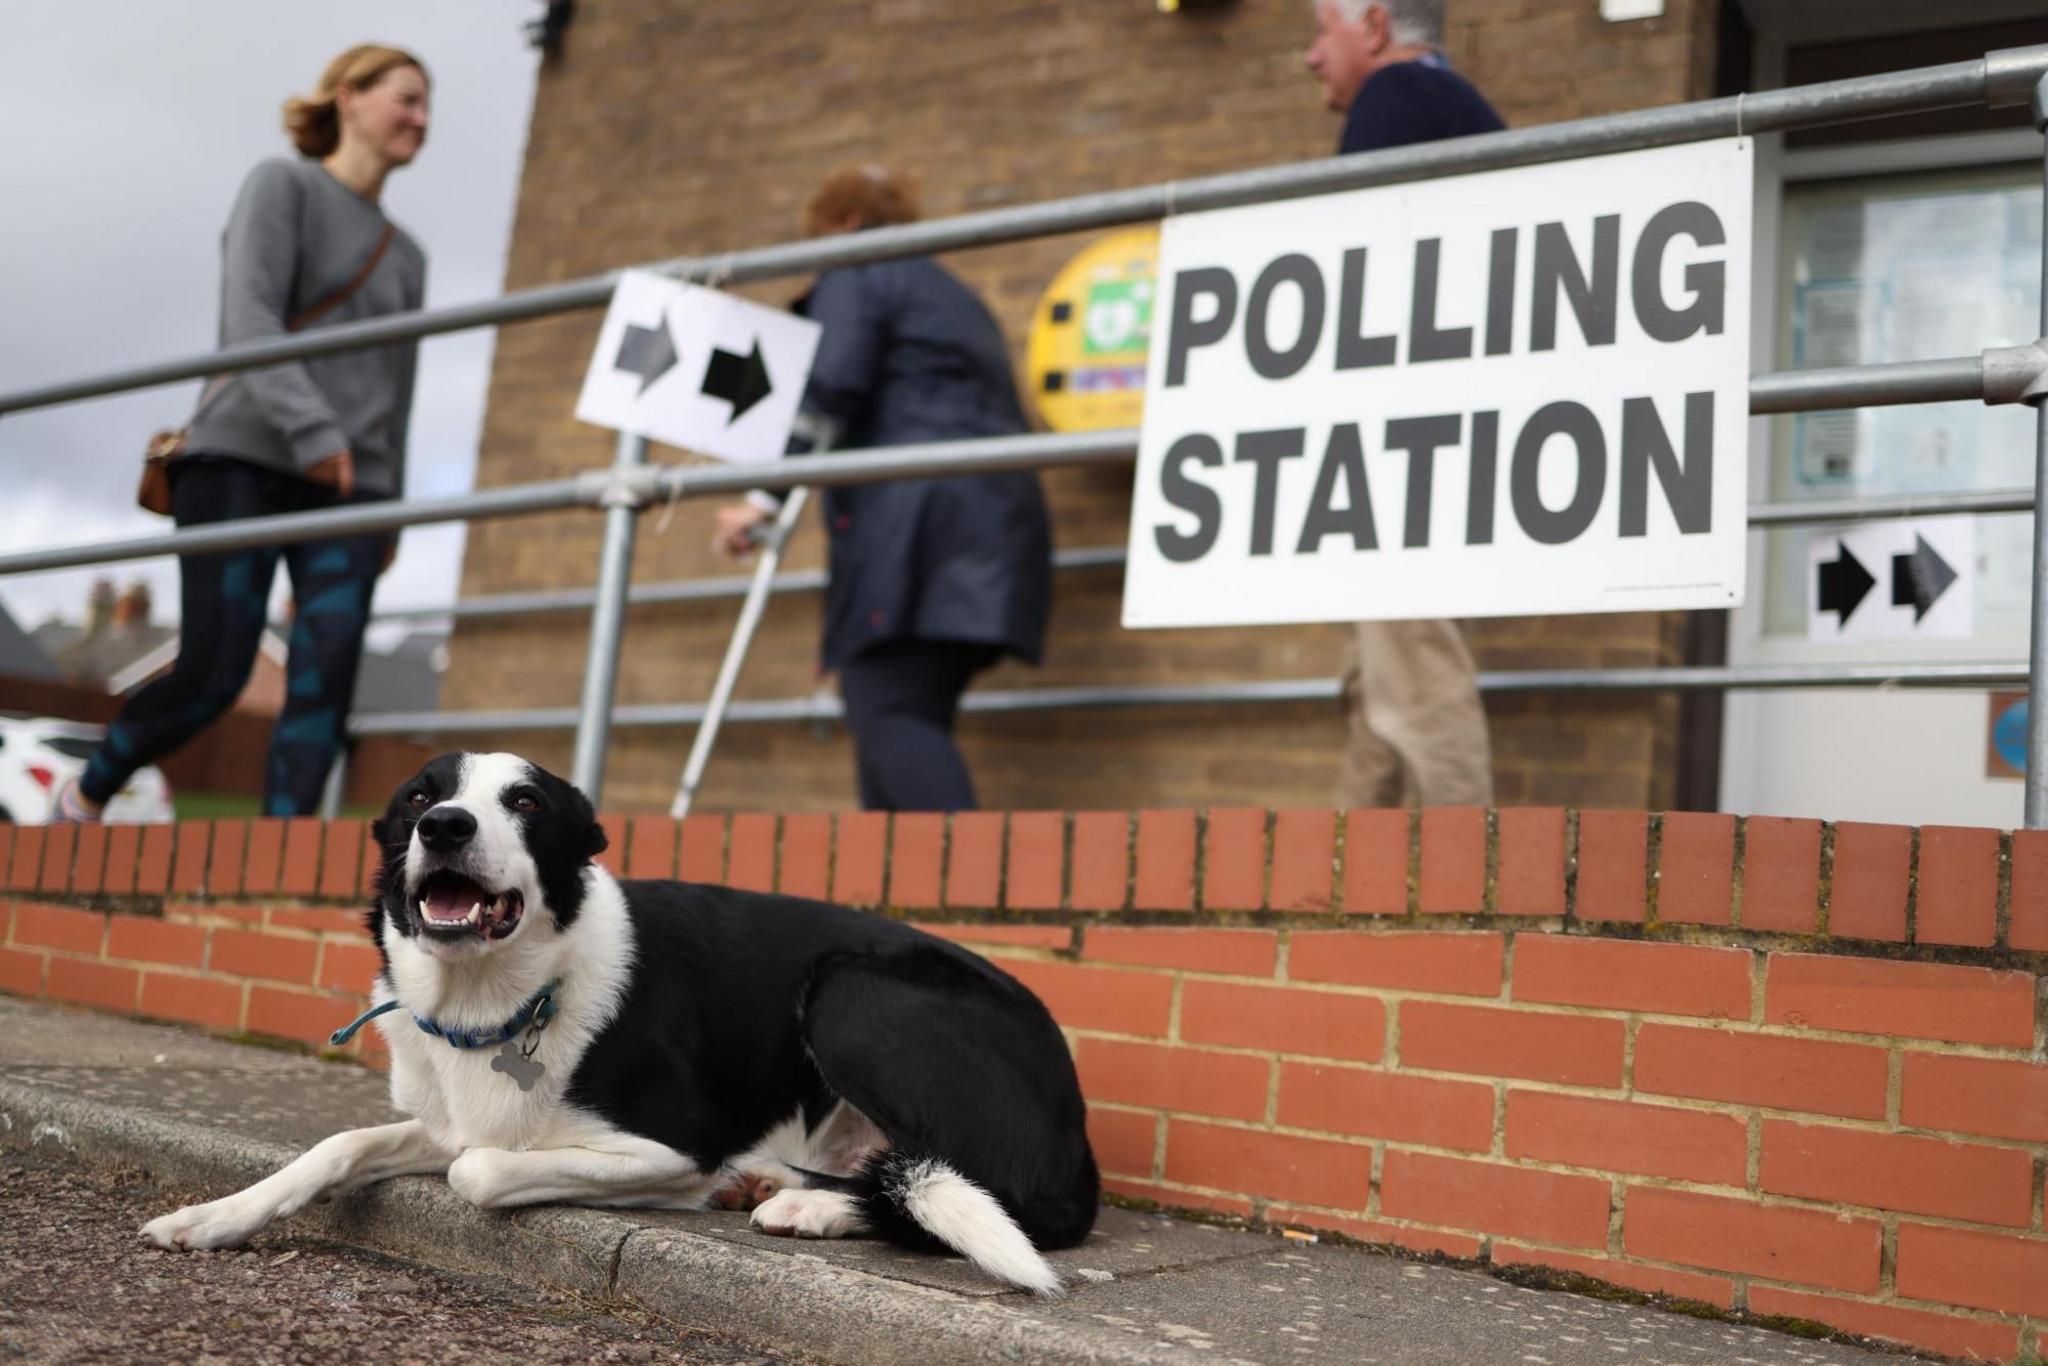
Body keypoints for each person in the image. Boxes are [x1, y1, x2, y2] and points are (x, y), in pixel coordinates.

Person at [58, 44, 430, 821]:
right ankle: (89, 790)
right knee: (215, 672)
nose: (420, 121)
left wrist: (387, 502)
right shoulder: (281, 184)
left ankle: (279, 866)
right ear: (348, 98)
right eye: (406, 99)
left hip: (347, 489)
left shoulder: (411, 257)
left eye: (427, 109)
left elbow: (398, 389)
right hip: (240, 459)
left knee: (325, 681)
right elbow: (248, 320)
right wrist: (315, 429)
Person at [714, 166, 1052, 813]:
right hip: (988, 532)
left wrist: (762, 497)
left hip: (916, 532)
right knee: (908, 709)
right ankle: (909, 905)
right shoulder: (953, 295)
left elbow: (832, 385)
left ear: (840, 225)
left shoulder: (857, 268)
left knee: (886, 704)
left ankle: (969, 895)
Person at [1306, 0, 1500, 808]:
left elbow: (1362, 277)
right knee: (1384, 663)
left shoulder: (1397, 100)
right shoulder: (1450, 109)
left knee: (1413, 665)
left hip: (1405, 428)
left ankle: (1468, 883)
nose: (1312, 58)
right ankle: (1353, 883)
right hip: (1442, 422)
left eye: (1322, 33)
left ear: (1374, 26)